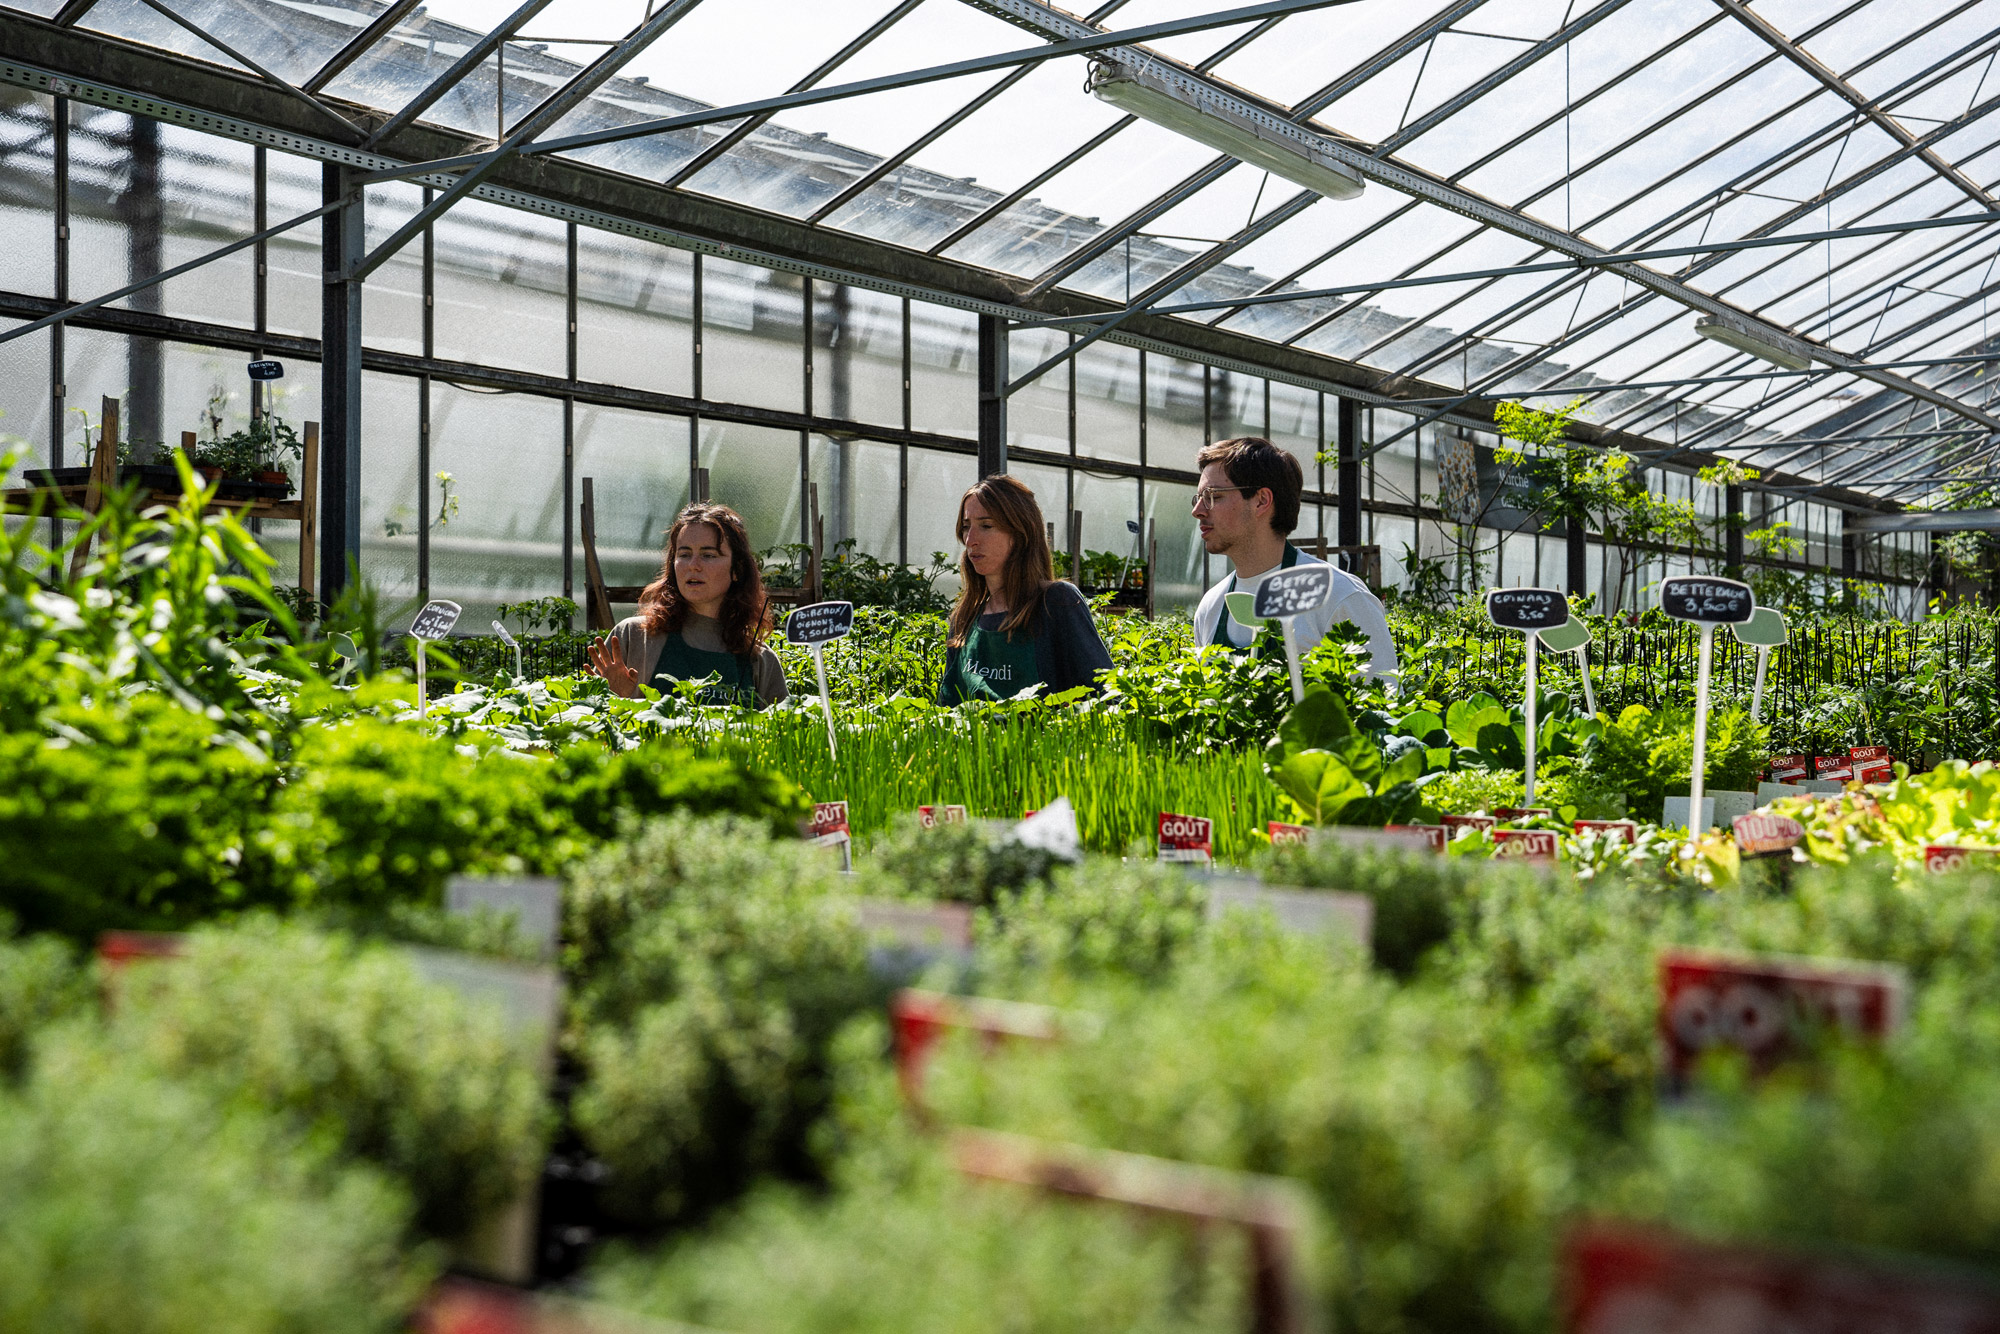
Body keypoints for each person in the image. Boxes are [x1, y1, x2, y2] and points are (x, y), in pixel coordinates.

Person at [1190, 436, 1398, 681]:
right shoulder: (1211, 606)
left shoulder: (1340, 597)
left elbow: (1384, 699)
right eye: (1198, 498)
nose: (1197, 510)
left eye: (1213, 496)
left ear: (1261, 501)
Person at [588, 502, 787, 709]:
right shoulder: (634, 637)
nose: (693, 565)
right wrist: (616, 700)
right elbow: (588, 720)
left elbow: (782, 726)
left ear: (737, 569)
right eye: (684, 554)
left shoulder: (761, 661)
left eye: (708, 555)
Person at [939, 475, 1112, 704]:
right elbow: (946, 710)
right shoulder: (965, 618)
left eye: (986, 526)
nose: (970, 540)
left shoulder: (1056, 602)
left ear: (1021, 533)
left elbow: (1106, 695)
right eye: (965, 527)